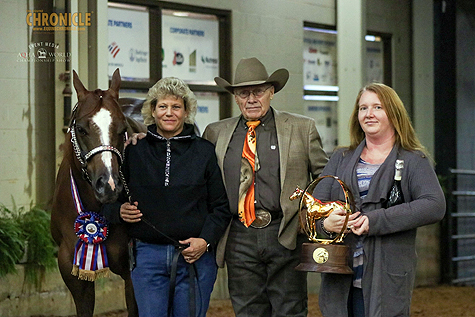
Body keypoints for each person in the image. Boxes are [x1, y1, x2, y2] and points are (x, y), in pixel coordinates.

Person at [202, 57, 328, 316]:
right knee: (248, 310)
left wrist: (308, 217)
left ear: (271, 92)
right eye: (243, 92)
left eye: (258, 91)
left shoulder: (301, 128)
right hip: (238, 235)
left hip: (285, 233)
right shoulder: (215, 132)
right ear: (235, 97)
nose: (251, 99)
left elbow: (324, 177)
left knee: (290, 309)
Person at [102, 77, 232, 317]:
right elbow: (108, 201)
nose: (169, 113)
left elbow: (221, 208)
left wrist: (205, 241)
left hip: (195, 258)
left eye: (176, 107)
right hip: (147, 257)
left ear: (186, 111)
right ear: (152, 110)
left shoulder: (204, 151)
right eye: (162, 106)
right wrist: (118, 212)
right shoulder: (133, 151)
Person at [314, 83, 446, 317]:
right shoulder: (340, 158)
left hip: (387, 281)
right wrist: (326, 224)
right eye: (363, 108)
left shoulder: (414, 160)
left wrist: (375, 220)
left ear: (393, 114)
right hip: (339, 280)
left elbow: (434, 205)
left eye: (377, 107)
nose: (369, 114)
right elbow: (314, 208)